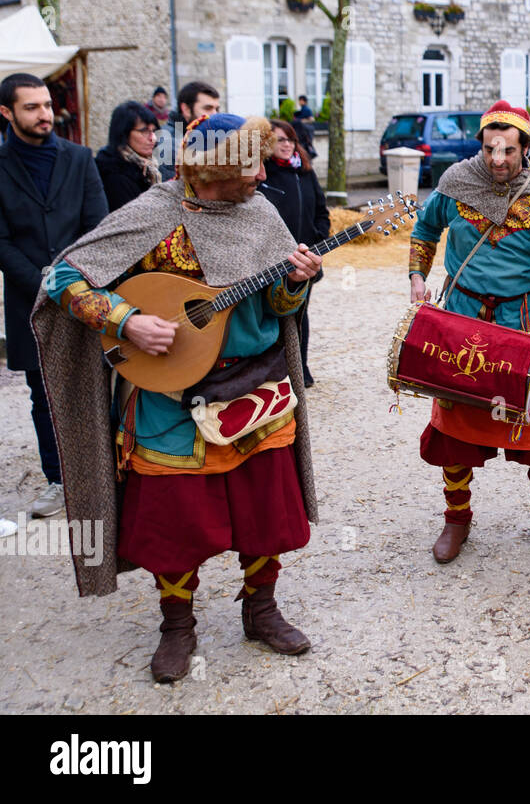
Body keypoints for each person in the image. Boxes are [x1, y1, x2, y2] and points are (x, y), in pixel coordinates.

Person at [30, 112, 321, 683]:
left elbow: (281, 310)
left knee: (265, 512)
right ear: (213, 170)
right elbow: (61, 278)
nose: (263, 173)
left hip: (256, 390)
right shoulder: (153, 214)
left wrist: (295, 282)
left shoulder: (260, 213)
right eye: (249, 165)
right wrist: (125, 321)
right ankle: (177, 625)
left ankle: (260, 610)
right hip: (169, 400)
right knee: (176, 525)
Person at [406, 100, 530, 562]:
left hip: (527, 325)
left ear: (526, 148)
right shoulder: (456, 184)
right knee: (456, 430)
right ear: (481, 145)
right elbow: (424, 229)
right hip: (463, 324)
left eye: (509, 151)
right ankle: (457, 520)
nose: (498, 160)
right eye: (490, 150)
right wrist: (417, 276)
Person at [0, 72, 108, 518]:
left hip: (85, 291)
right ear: (6, 113)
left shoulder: (80, 158)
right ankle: (58, 479)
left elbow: (98, 227)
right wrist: (45, 284)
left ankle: (106, 474)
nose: (45, 114)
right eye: (32, 107)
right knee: (42, 394)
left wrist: (72, 282)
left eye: (46, 105)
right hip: (28, 299)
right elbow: (1, 240)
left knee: (97, 384)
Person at [261, 119, 330, 387]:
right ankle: (275, 372)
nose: (287, 144)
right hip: (271, 262)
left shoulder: (305, 172)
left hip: (304, 261)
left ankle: (300, 370)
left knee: (300, 314)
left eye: (291, 139)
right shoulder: (263, 175)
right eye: (281, 139)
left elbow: (322, 211)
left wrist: (318, 238)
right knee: (273, 316)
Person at [96, 101, 162, 212]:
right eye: (144, 131)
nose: (153, 138)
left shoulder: (148, 168)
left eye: (154, 131)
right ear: (124, 134)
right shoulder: (114, 176)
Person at [158, 81, 220, 182]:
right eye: (208, 108)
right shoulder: (169, 143)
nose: (214, 114)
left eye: (217, 109)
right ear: (186, 109)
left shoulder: (204, 135)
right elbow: (173, 190)